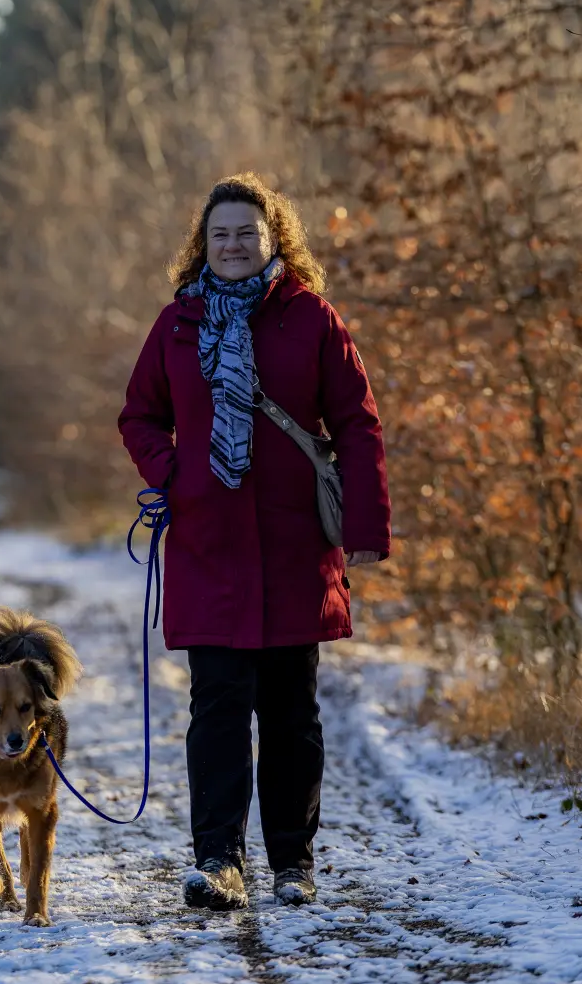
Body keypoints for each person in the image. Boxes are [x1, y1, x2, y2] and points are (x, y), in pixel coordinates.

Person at [117, 173, 390, 910]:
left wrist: (365, 526)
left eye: (247, 233)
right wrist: (175, 475)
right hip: (210, 547)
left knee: (291, 711)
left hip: (297, 546)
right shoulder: (177, 323)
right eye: (220, 235)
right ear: (203, 246)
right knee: (217, 708)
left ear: (275, 238)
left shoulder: (312, 320)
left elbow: (358, 424)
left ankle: (293, 864)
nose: (233, 246)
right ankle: (219, 861)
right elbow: (139, 416)